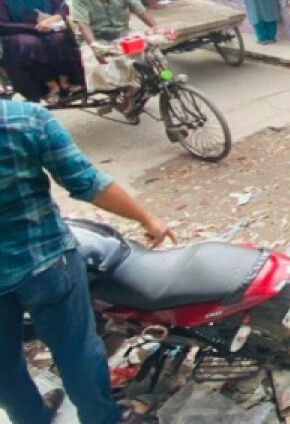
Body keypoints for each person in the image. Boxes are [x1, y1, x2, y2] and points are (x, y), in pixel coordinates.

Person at [0, 98, 173, 424]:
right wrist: (147, 219)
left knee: (3, 364)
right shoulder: (24, 119)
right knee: (76, 349)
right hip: (46, 264)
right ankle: (102, 418)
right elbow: (86, 182)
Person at [70, 0, 165, 114]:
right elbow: (83, 24)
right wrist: (95, 47)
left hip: (122, 34)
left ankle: (142, 87)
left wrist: (156, 26)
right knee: (102, 70)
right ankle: (123, 93)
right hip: (97, 38)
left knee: (154, 57)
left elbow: (139, 9)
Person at [0, 0, 83, 103]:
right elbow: (3, 24)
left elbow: (62, 6)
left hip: (50, 28)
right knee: (30, 44)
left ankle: (65, 81)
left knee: (59, 39)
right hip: (20, 34)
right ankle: (51, 86)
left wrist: (53, 18)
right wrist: (34, 28)